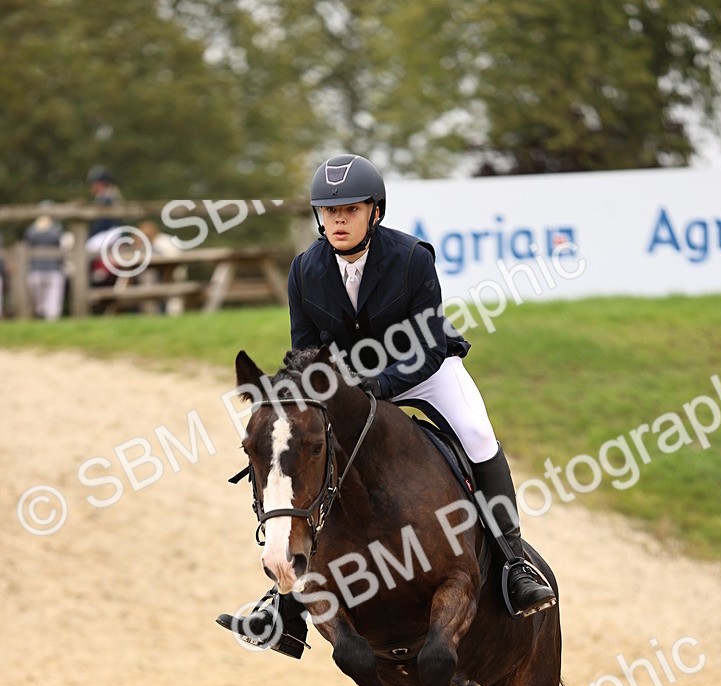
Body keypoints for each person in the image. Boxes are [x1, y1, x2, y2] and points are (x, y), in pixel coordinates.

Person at [218, 153, 556, 652]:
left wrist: (379, 385)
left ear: (374, 212)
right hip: (346, 385)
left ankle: (513, 564)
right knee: (308, 451)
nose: (338, 220)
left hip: (424, 371)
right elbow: (303, 353)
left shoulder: (412, 258)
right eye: (329, 211)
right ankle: (284, 603)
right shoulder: (304, 270)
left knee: (479, 436)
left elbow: (427, 346)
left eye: (350, 210)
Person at [23, 203, 67, 321]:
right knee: (50, 303)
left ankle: (45, 317)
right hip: (49, 270)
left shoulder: (31, 231)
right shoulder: (56, 230)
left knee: (43, 303)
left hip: (39, 270)